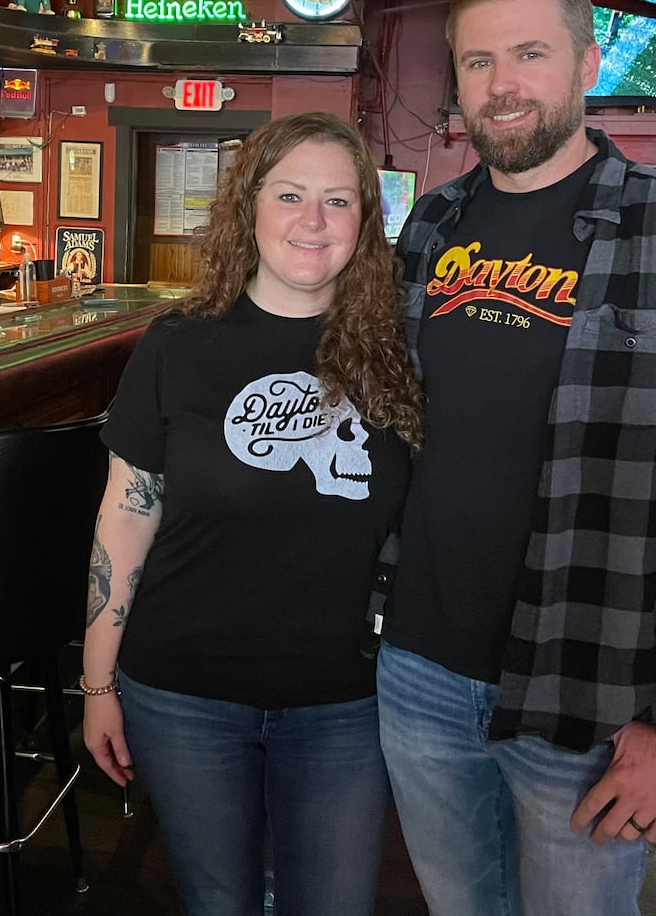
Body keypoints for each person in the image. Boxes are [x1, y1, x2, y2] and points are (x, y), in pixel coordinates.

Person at [377, 0, 656, 915]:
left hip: (586, 690)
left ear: (590, 64)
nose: (501, 83)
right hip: (417, 673)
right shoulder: (430, 226)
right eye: (477, 62)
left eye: (530, 53)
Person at [82, 112, 424, 916]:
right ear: (250, 209)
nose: (314, 221)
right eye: (291, 195)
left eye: (339, 202)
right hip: (183, 692)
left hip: (348, 699)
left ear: (366, 223)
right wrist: (98, 683)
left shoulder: (400, 352)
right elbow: (126, 518)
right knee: (217, 902)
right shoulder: (179, 344)